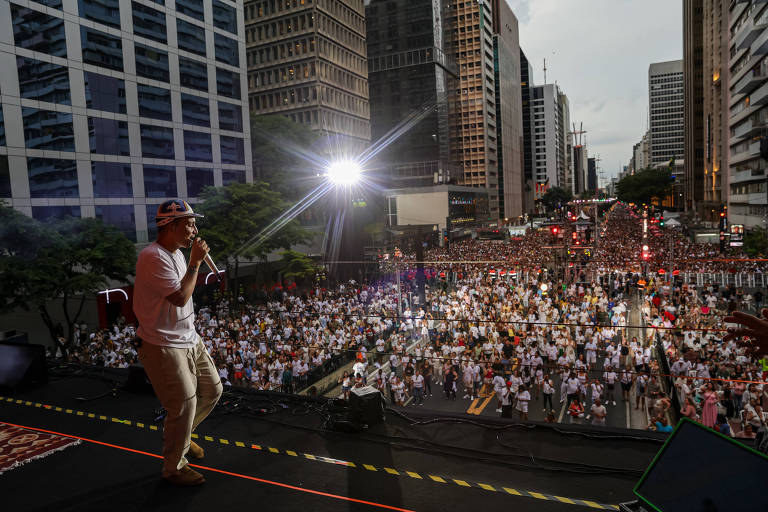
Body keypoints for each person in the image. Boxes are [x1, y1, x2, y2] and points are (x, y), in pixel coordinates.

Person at [133, 199, 223, 486]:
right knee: (183, 404)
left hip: (188, 336)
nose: (194, 229)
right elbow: (180, 297)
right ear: (171, 226)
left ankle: (181, 438)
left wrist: (192, 261)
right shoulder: (152, 256)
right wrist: (196, 261)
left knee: (212, 390)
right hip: (163, 343)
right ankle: (174, 467)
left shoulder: (177, 254)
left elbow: (185, 290)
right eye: (189, 224)